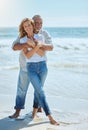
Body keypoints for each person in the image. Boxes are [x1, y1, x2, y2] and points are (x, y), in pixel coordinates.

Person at [9, 15, 53, 119]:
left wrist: (38, 44)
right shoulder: (23, 35)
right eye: (36, 22)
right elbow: (14, 46)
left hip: (40, 66)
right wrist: (26, 45)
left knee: (39, 89)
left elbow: (51, 47)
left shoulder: (44, 34)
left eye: (41, 23)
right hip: (25, 67)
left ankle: (37, 108)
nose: (39, 25)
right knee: (22, 89)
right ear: (32, 23)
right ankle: (17, 111)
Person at [19, 18, 59, 125]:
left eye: (29, 25)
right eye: (25, 26)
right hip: (31, 68)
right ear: (23, 28)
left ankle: (34, 112)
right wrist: (36, 46)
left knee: (38, 91)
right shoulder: (23, 40)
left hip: (43, 67)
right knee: (40, 91)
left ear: (32, 26)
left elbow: (42, 54)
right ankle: (50, 117)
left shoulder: (40, 37)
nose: (28, 27)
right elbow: (28, 55)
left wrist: (33, 46)